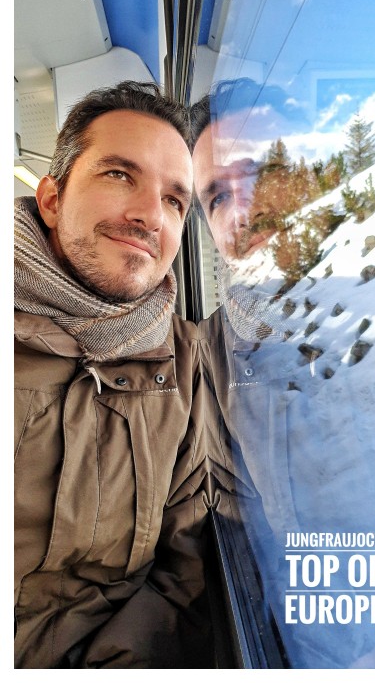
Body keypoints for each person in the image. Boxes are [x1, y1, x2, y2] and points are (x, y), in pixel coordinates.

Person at [189, 80, 375, 668]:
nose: (242, 208)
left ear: (315, 171)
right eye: (215, 196)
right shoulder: (206, 361)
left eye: (261, 171)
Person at [14, 81, 214, 668]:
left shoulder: (184, 365)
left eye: (175, 201)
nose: (150, 214)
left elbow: (187, 571)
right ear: (51, 199)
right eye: (119, 175)